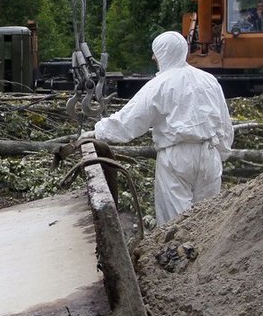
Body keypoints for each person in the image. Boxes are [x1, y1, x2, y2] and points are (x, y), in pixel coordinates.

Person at [78, 31, 233, 224]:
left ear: (163, 53)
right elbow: (225, 124)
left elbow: (129, 121)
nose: (153, 57)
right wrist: (221, 154)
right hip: (210, 154)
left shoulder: (160, 84)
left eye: (155, 52)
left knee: (176, 222)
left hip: (177, 158)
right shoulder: (209, 80)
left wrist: (98, 132)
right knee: (209, 221)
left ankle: (178, 252)